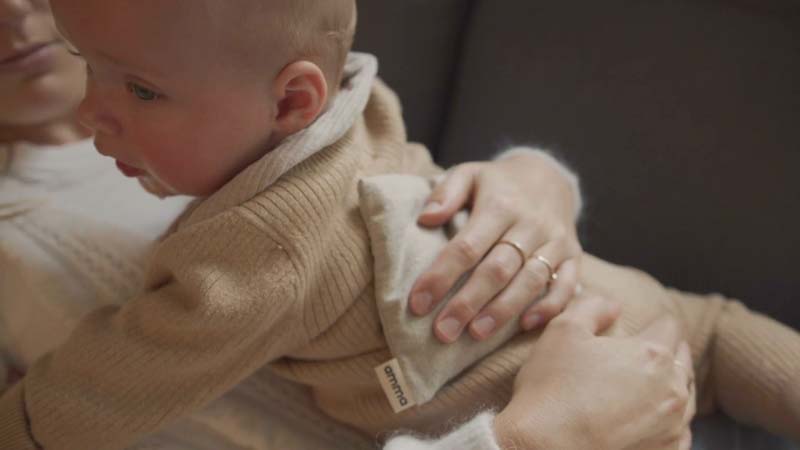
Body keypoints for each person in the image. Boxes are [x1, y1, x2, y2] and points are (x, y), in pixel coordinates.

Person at [3, 0, 797, 448]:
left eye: (136, 89)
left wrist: (538, 178)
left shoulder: (247, 262)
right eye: (93, 66)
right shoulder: (357, 103)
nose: (94, 109)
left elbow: (97, 391)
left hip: (561, 351)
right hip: (599, 355)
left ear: (290, 103)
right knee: (725, 334)